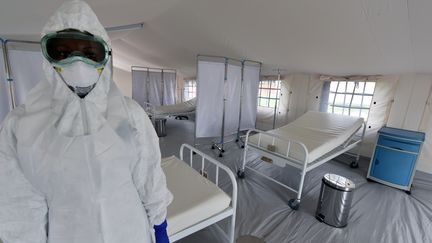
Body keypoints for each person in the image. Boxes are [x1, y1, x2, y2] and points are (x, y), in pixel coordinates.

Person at [0, 1, 172, 243]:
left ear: (104, 58)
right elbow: (20, 207)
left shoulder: (129, 115)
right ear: (47, 57)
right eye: (62, 52)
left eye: (90, 53)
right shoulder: (21, 127)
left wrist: (160, 225)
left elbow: (149, 175)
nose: (77, 62)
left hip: (130, 231)